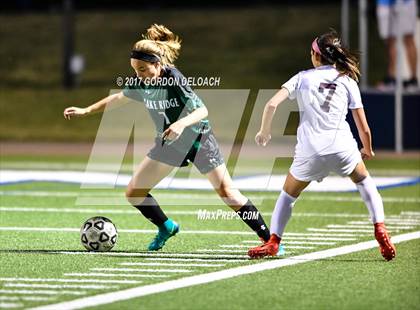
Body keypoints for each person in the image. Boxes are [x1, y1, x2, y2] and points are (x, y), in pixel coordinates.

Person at [63, 24, 270, 251]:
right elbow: (119, 98)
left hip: (198, 141)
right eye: (134, 69)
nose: (137, 74)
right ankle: (166, 226)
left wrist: (180, 124)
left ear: (157, 64)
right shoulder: (142, 81)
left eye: (142, 68)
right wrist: (87, 110)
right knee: (134, 193)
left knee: (228, 193)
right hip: (169, 143)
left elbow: (202, 111)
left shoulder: (173, 78)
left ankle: (269, 241)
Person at [247, 30, 396, 261]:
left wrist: (264, 131)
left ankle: (274, 241)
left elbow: (270, 105)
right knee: (365, 183)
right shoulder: (347, 80)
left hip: (310, 151)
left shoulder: (302, 77)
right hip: (342, 148)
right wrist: (367, 149)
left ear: (316, 56)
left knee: (287, 196)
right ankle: (380, 228)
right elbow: (363, 127)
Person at [377, 0, 418, 90]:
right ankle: (391, 78)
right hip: (385, 3)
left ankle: (413, 79)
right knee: (389, 40)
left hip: (405, 3)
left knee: (408, 37)